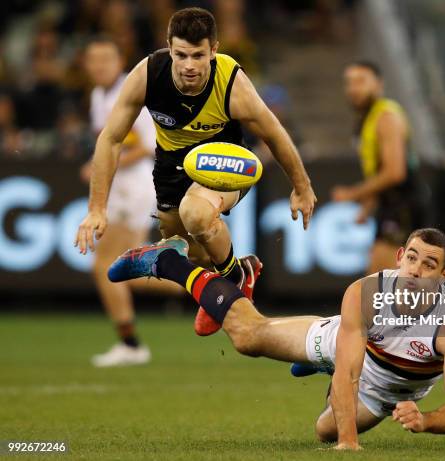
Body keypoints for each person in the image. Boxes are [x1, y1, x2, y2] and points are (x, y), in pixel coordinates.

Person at [107, 227, 445, 449]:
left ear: (443, 276)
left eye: (428, 265)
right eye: (412, 258)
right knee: (247, 338)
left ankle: (318, 368)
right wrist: (349, 444)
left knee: (323, 430)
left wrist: (426, 420)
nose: (415, 270)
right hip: (346, 349)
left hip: (387, 394)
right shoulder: (365, 293)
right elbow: (348, 371)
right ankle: (169, 261)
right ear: (399, 257)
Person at [74, 7, 317, 336]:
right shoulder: (148, 74)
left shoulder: (232, 82)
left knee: (197, 214)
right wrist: (96, 208)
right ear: (169, 47)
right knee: (193, 254)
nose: (189, 65)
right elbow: (111, 139)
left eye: (199, 55)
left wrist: (301, 187)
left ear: (214, 49)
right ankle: (229, 272)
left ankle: (233, 281)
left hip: (223, 162)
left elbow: (273, 134)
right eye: (182, 55)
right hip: (170, 168)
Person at [81, 37, 184, 367]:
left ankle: (130, 344)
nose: (99, 66)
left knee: (104, 267)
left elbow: (149, 146)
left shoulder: (133, 91)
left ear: (119, 61)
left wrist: (103, 165)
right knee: (123, 271)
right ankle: (197, 281)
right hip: (121, 187)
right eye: (93, 60)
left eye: (105, 60)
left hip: (136, 187)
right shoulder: (99, 95)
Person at [332, 61, 427, 275]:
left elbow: (395, 172)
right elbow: (378, 170)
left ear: (379, 84)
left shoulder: (386, 117)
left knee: (380, 283)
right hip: (391, 206)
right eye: (349, 83)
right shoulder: (367, 120)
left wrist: (353, 193)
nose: (354, 88)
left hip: (403, 206)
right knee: (389, 283)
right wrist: (367, 206)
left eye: (361, 81)